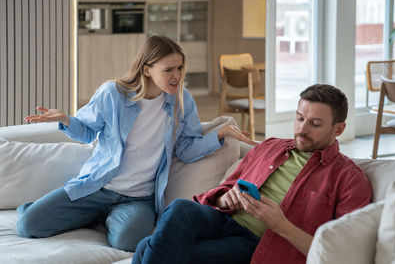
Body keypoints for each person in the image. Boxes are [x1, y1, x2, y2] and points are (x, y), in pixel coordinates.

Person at [16, 35, 256, 252]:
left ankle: (102, 217)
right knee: (28, 224)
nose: (177, 75)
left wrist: (219, 135)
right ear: (147, 70)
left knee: (128, 242)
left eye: (180, 68)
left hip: (138, 199)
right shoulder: (113, 93)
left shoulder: (182, 101)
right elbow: (88, 133)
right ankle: (89, 212)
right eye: (169, 69)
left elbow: (186, 148)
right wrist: (66, 119)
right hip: (97, 187)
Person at [132, 84, 373, 264]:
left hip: (257, 244)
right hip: (224, 220)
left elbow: (343, 254)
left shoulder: (349, 179)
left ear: (339, 129)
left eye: (315, 124)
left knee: (146, 247)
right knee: (179, 208)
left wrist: (280, 225)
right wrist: (225, 199)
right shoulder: (271, 147)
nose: (302, 129)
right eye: (299, 119)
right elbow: (225, 188)